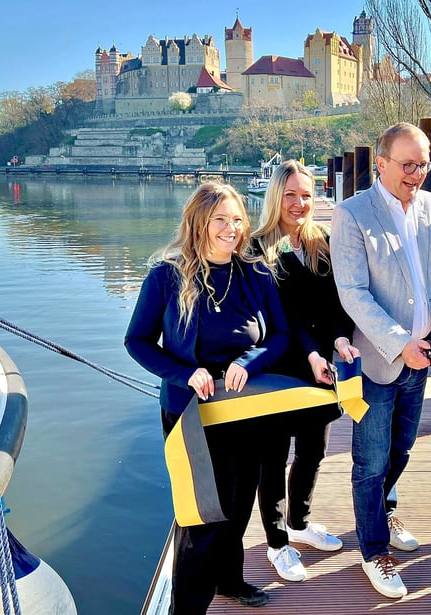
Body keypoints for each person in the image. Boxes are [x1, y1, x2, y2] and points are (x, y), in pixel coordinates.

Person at [124, 182, 289, 613]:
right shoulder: (166, 276)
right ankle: (188, 608)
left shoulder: (256, 274)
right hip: (189, 413)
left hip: (246, 409)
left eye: (237, 219)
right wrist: (185, 372)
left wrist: (249, 362)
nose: (231, 229)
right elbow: (138, 341)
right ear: (199, 223)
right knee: (199, 516)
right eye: (221, 220)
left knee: (237, 504)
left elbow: (280, 336)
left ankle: (229, 580)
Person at [330, 122, 431, 599]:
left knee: (402, 448)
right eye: (408, 165)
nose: (418, 174)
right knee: (369, 460)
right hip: (376, 362)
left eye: (424, 163)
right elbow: (353, 293)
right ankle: (374, 551)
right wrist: (396, 341)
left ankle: (385, 506)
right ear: (381, 164)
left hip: (424, 357)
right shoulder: (351, 214)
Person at [252, 161, 359, 582]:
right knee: (273, 459)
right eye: (291, 194)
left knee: (313, 451)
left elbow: (337, 304)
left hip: (323, 366)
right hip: (281, 367)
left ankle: (300, 522)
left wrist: (337, 341)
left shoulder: (322, 242)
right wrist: (312, 352)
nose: (299, 203)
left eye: (307, 195)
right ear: (276, 196)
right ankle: (277, 543)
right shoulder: (258, 249)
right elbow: (284, 316)